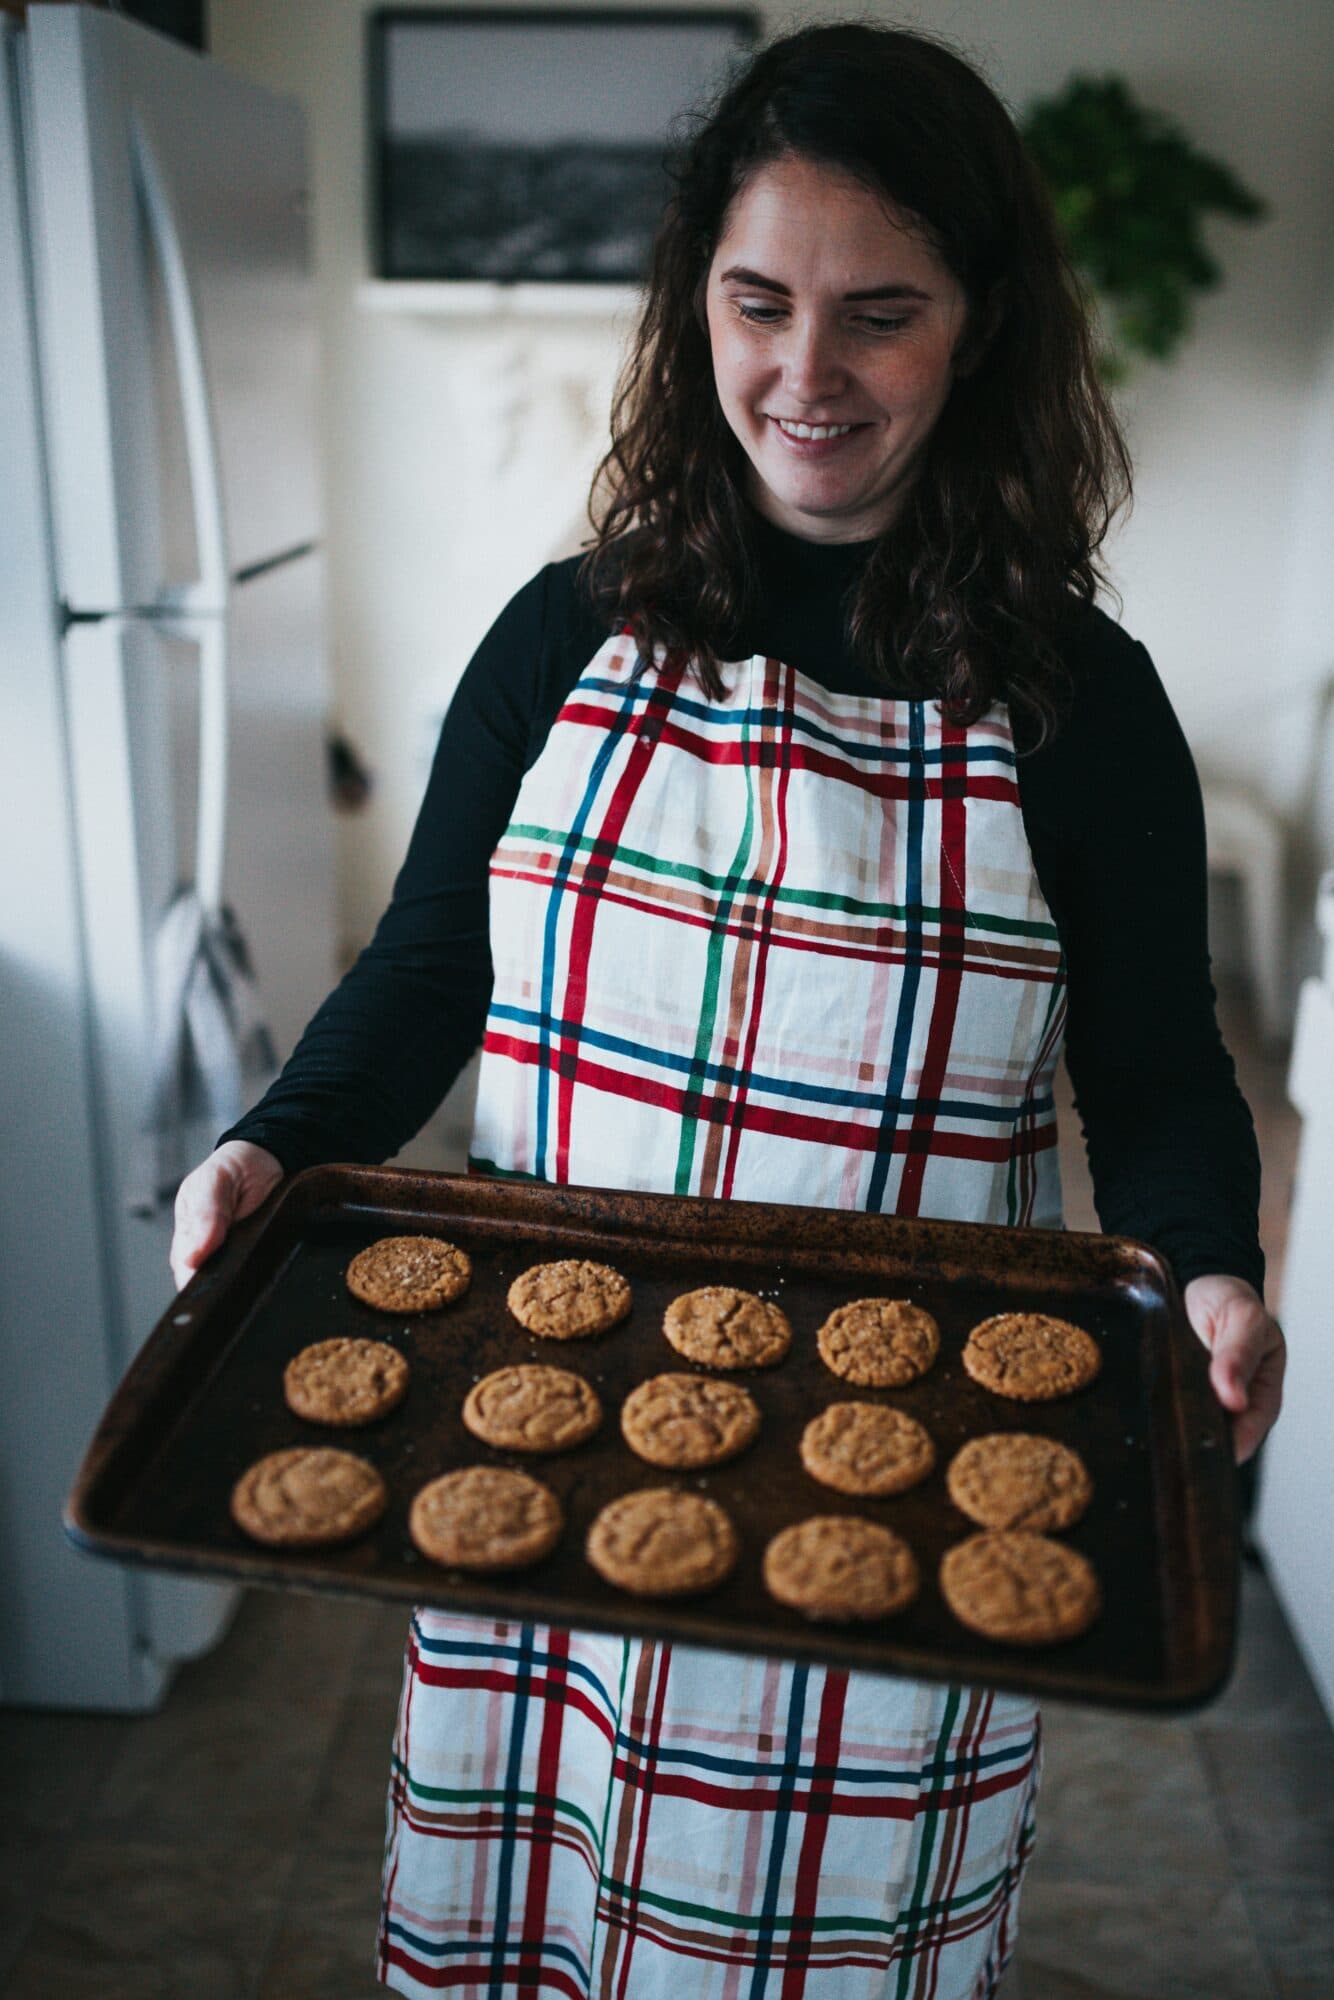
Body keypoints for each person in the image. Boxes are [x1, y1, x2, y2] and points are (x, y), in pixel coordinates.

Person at [172, 22, 1285, 1997]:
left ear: (980, 325)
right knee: (534, 1903)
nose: (805, 372)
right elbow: (430, 964)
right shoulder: (563, 635)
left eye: (881, 314)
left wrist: (1205, 1266)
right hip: (548, 1465)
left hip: (899, 1486)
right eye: (759, 303)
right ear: (694, 301)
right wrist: (277, 1141)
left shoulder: (1077, 703)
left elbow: (1152, 1066)